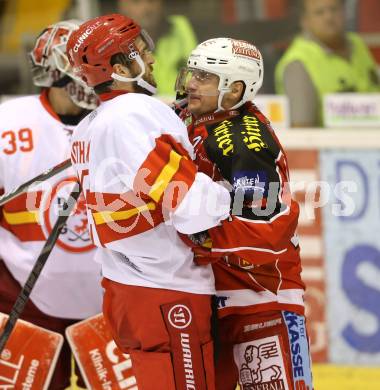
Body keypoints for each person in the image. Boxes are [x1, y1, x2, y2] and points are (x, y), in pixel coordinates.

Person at [66, 14, 231, 390]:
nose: (152, 60)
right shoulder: (134, 115)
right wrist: (229, 197)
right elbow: (191, 208)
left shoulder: (88, 127)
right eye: (141, 52)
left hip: (129, 288)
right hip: (165, 293)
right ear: (120, 67)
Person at [175, 38, 313, 389]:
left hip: (261, 299)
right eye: (193, 71)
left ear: (234, 89)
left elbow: (267, 231)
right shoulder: (194, 120)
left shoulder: (241, 141)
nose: (191, 82)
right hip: (212, 298)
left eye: (205, 77)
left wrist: (197, 240)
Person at [0, 20, 102, 389]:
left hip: (114, 302)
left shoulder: (129, 117)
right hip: (23, 302)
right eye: (86, 63)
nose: (97, 75)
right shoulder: (8, 123)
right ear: (55, 71)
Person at [275, 0, 380, 127]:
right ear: (305, 21)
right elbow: (302, 132)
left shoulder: (357, 43)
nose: (329, 17)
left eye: (334, 9)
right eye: (319, 12)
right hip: (336, 145)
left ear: (344, 12)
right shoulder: (297, 64)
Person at [116, 0, 197, 98]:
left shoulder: (180, 26)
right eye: (136, 2)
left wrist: (181, 98)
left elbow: (194, 70)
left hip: (181, 104)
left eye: (151, 1)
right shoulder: (116, 43)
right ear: (123, 6)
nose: (147, 8)